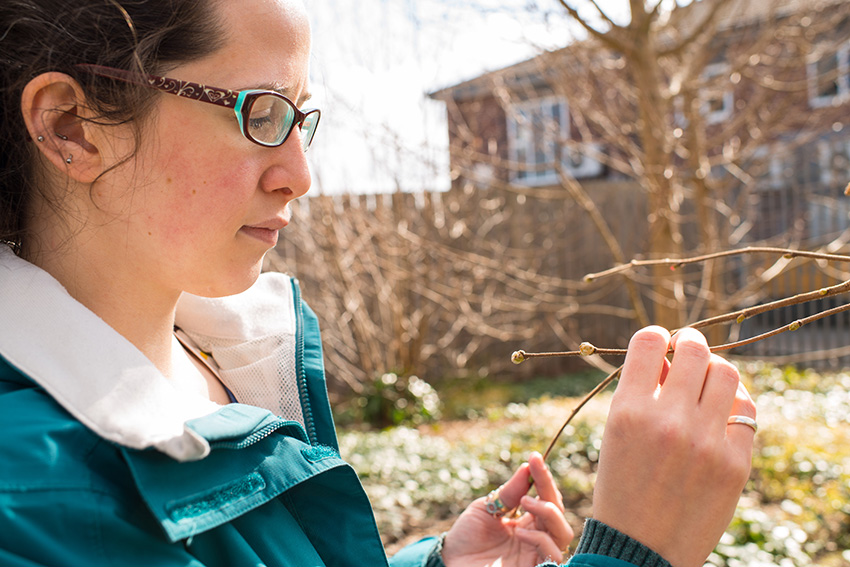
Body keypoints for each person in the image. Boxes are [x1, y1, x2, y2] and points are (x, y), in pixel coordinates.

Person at [0, 1, 756, 566]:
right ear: (70, 126)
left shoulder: (226, 355)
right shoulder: (29, 503)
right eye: (260, 113)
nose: (299, 173)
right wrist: (634, 551)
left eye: (301, 118)